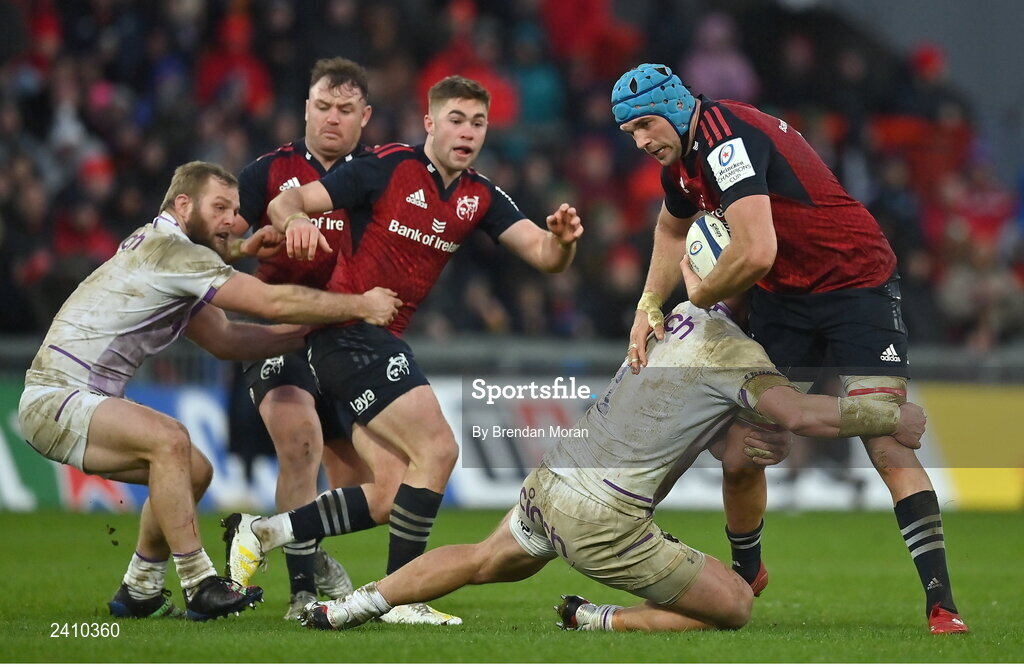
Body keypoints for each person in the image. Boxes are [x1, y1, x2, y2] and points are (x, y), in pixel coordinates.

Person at [292, 296, 927, 632]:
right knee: (733, 605)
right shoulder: (740, 356)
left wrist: (735, 437)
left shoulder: (674, 318)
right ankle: (597, 619)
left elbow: (689, 420)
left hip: (556, 475)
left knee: (484, 561)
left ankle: (347, 609)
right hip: (607, 513)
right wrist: (887, 417)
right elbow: (797, 414)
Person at [612, 63, 967, 634]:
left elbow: (754, 253)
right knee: (743, 449)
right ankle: (747, 573)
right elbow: (671, 229)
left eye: (647, 125)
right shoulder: (681, 165)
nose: (641, 142)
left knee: (887, 439)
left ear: (677, 108)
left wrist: (697, 301)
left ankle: (941, 604)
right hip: (785, 301)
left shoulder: (726, 138)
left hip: (857, 285)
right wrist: (648, 302)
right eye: (630, 134)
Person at [222, 75, 583, 625]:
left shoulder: (479, 195)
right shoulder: (386, 167)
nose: (467, 132)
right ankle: (401, 599)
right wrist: (295, 219)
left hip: (376, 339)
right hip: (348, 331)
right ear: (430, 123)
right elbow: (289, 199)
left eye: (478, 123)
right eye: (456, 120)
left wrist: (562, 242)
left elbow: (540, 252)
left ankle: (265, 531)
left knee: (390, 491)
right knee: (438, 450)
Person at [18, 161, 401, 622]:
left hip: (69, 400)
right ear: (183, 204)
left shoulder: (163, 250)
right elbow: (269, 301)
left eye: (236, 210)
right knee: (171, 440)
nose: (230, 219)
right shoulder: (172, 253)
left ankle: (140, 589)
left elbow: (227, 340)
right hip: (58, 396)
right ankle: (200, 583)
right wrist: (356, 306)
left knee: (192, 471)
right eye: (219, 207)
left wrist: (314, 334)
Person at [229, 57, 383, 621]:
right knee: (299, 443)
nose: (332, 119)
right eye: (323, 107)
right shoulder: (265, 174)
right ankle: (302, 593)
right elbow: (206, 245)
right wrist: (243, 249)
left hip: (345, 340)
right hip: (280, 335)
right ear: (305, 109)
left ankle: (278, 535)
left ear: (365, 117)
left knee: (370, 483)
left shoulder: (379, 176)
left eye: (346, 110)